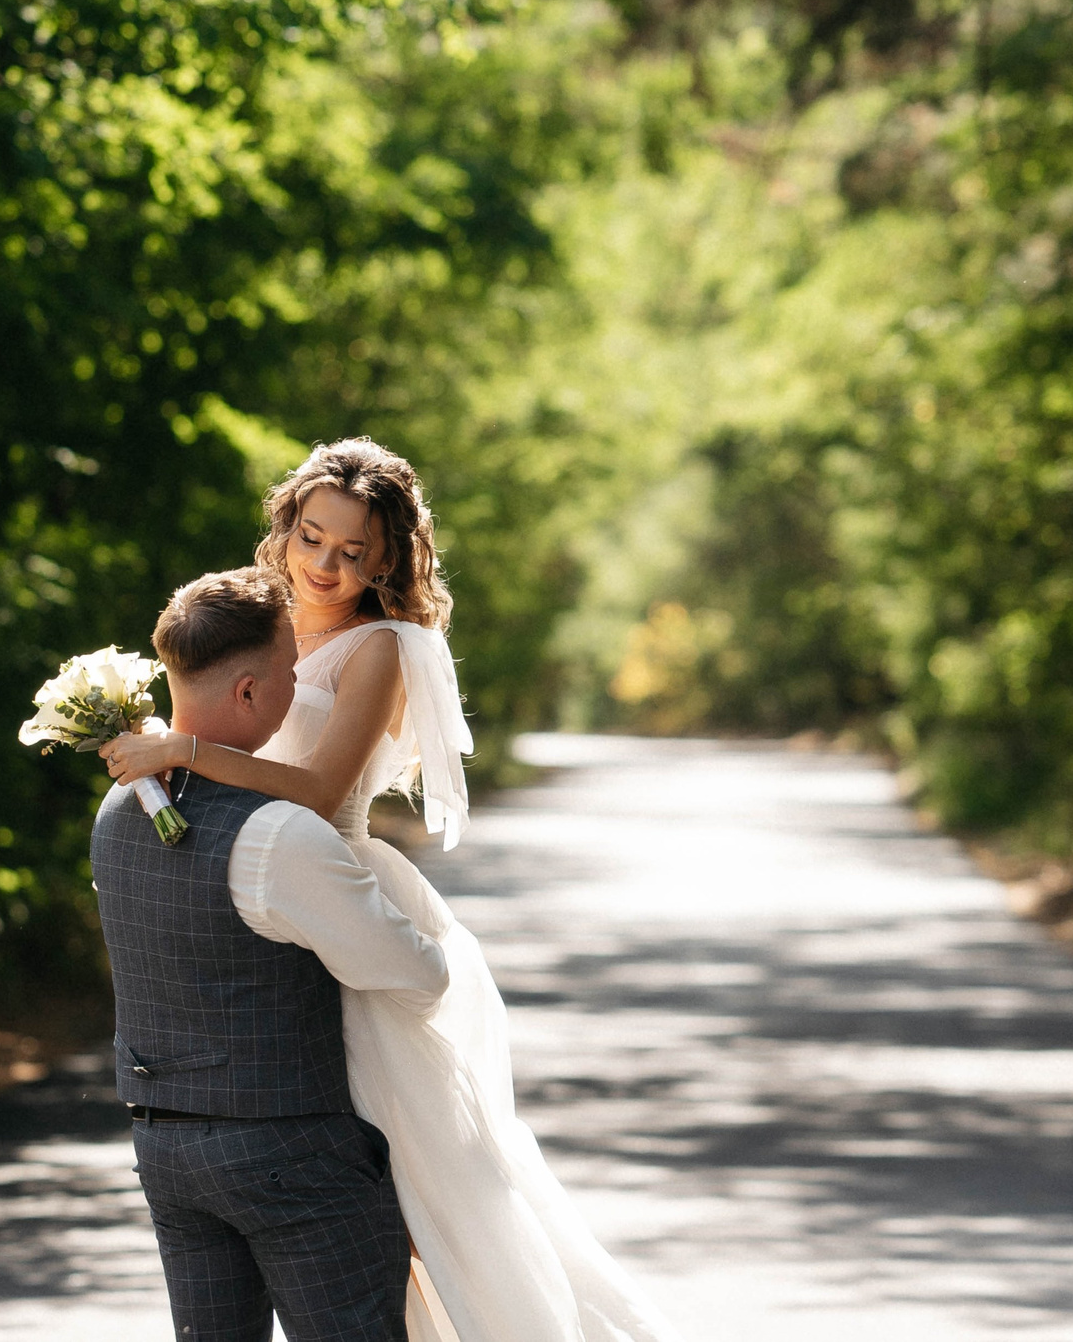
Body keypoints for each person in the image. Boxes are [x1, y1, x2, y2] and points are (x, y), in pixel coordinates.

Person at [105, 440, 685, 1342]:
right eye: (312, 537)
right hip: (247, 886)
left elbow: (323, 790)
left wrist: (183, 752)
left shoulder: (379, 647)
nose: (327, 566)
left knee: (405, 1174)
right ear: (287, 526)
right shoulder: (257, 615)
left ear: (386, 556)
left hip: (321, 871)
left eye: (352, 551)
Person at [91, 565, 452, 1342]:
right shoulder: (282, 836)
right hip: (290, 1152)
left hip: (165, 1147)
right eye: (290, 671)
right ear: (250, 692)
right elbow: (418, 974)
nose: (298, 686)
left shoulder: (118, 807)